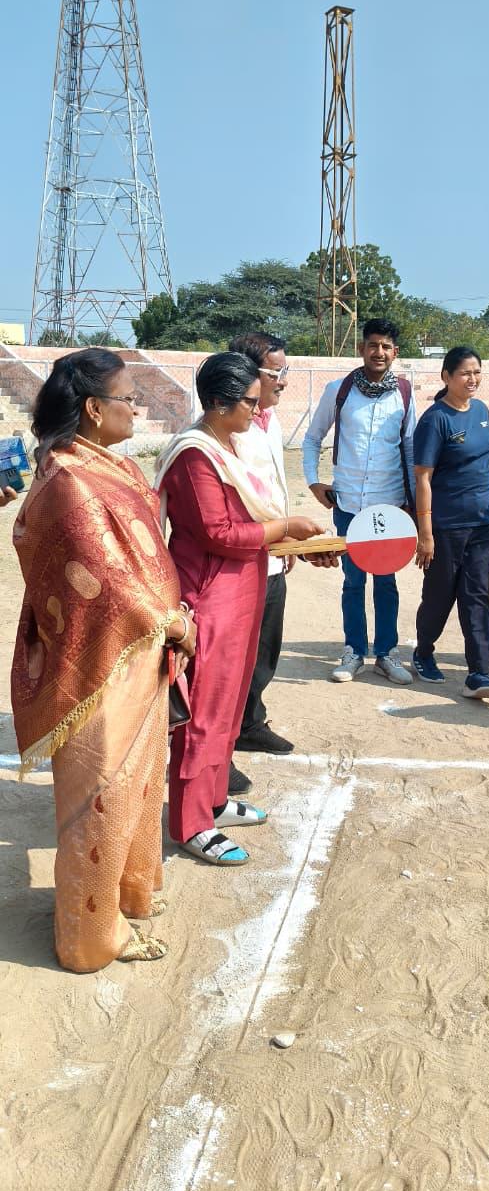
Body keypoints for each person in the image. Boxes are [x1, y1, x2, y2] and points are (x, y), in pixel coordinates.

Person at [11, 349, 196, 972]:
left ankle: (131, 891)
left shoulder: (105, 467)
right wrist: (171, 621)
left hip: (136, 655)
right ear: (94, 409)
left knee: (141, 782)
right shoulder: (69, 480)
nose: (137, 408)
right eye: (128, 398)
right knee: (103, 792)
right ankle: (89, 936)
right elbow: (109, 576)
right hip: (100, 664)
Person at [155, 352, 323, 866]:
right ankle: (190, 822)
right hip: (210, 595)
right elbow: (218, 534)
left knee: (229, 704)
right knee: (203, 710)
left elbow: (244, 528)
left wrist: (298, 546)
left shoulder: (226, 446)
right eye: (250, 401)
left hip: (242, 588)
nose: (258, 408)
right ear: (219, 403)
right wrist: (287, 529)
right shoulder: (194, 455)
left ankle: (213, 799)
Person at [302, 317, 416, 684]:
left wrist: (412, 502)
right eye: (373, 345)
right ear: (361, 348)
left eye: (386, 346)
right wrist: (314, 482)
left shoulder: (404, 394)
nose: (378, 352)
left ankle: (386, 653)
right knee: (352, 581)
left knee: (386, 582)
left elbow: (411, 448)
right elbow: (312, 438)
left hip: (388, 506)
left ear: (395, 353)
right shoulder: (339, 390)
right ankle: (353, 651)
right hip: (349, 502)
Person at [412, 346, 489, 699]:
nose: (472, 378)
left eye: (477, 371)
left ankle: (479, 673)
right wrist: (426, 534)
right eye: (465, 372)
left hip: (483, 524)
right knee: (439, 595)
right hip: (446, 526)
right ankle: (423, 651)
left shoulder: (481, 411)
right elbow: (423, 479)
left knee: (477, 594)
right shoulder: (435, 420)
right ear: (446, 376)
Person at [227, 334, 294, 789]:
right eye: (276, 373)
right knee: (229, 662)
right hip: (240, 562)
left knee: (264, 652)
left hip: (272, 556)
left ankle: (250, 724)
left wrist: (287, 542)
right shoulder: (224, 429)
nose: (283, 382)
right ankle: (220, 745)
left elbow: (274, 483)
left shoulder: (268, 421)